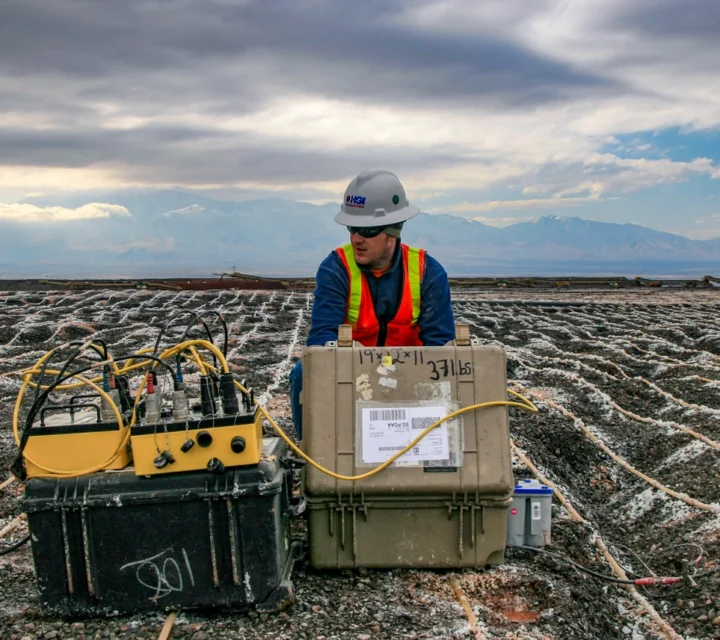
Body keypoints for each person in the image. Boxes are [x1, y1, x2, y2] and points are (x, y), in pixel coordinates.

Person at [288, 169, 455, 439]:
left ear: (393, 231)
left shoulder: (427, 272)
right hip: (351, 377)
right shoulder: (336, 268)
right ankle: (314, 458)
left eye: (366, 230)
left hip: (411, 377)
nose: (356, 238)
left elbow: (440, 349)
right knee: (303, 372)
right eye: (352, 228)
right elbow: (321, 340)